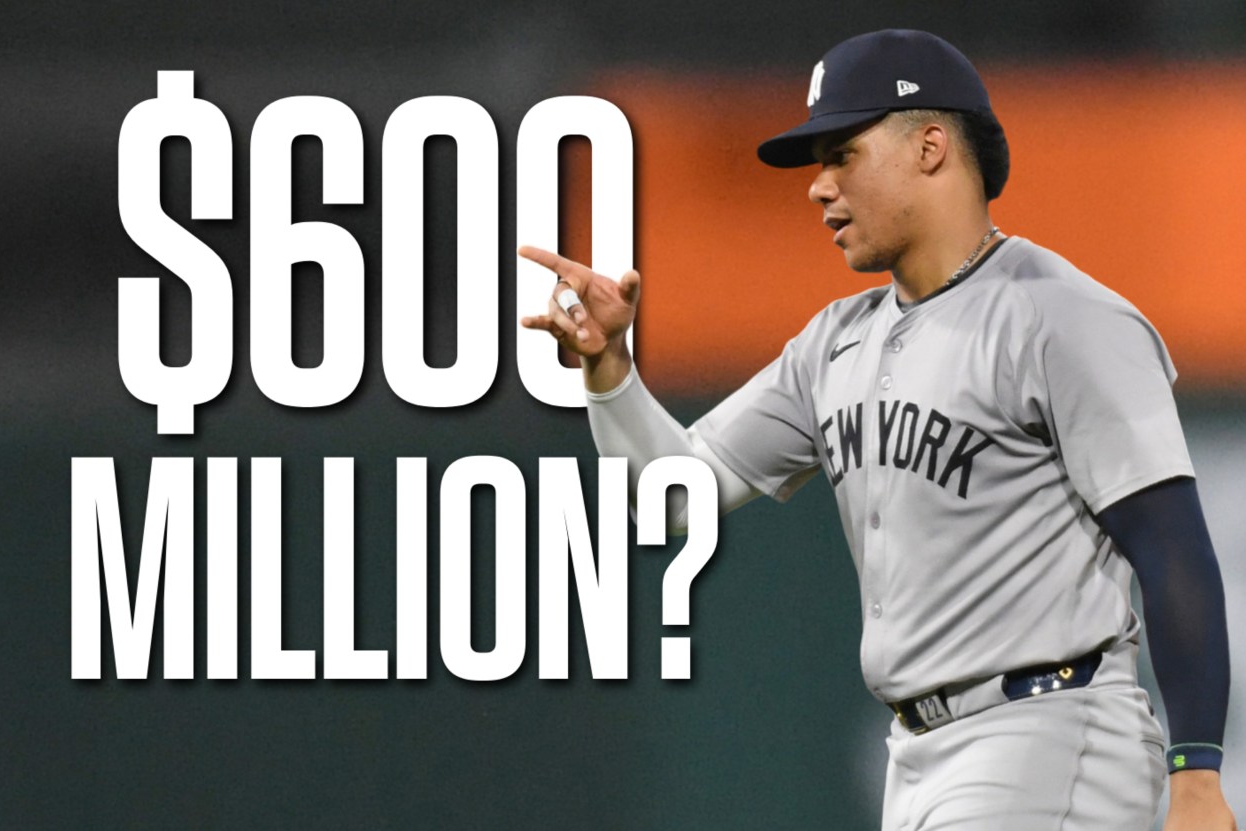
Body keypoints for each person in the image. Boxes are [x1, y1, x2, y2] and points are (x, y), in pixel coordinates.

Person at [520, 28, 1234, 831]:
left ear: (931, 146)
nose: (819, 187)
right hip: (920, 759)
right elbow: (668, 499)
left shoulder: (1062, 316)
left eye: (843, 154)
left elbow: (1171, 544)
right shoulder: (832, 344)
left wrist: (1198, 773)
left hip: (1052, 730)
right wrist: (609, 371)